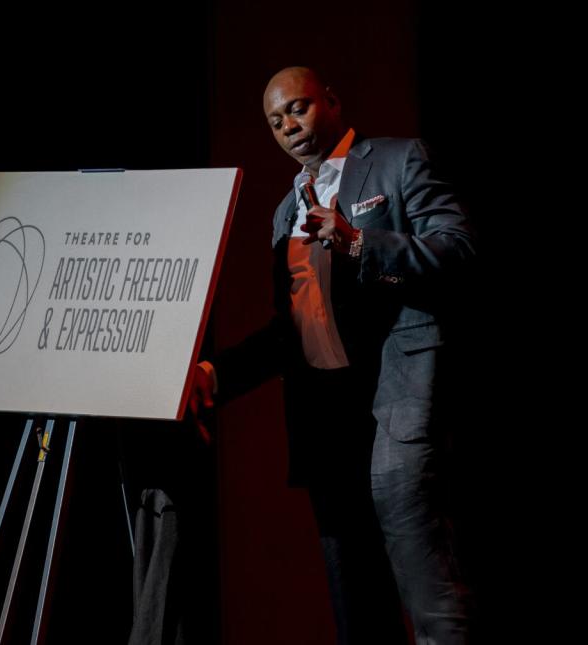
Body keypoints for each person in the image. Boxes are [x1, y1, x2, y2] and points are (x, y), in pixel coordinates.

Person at [190, 67, 477, 644]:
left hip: (396, 407)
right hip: (328, 430)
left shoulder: (397, 162)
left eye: (298, 108)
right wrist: (214, 373)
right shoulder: (283, 212)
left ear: (332, 101)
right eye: (276, 121)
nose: (289, 127)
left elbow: (458, 249)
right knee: (358, 617)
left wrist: (359, 243)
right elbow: (290, 330)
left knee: (433, 607)